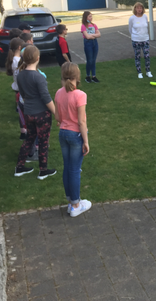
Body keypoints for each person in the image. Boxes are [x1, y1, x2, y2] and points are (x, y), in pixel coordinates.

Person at [55, 62, 92, 217]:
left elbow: (57, 117)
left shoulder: (58, 93)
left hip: (63, 133)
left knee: (67, 167)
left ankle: (71, 202)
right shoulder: (80, 95)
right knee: (75, 170)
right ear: (77, 77)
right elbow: (81, 121)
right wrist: (86, 141)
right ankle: (76, 205)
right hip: (75, 134)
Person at [14, 45, 57, 180]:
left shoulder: (20, 75)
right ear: (38, 58)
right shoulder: (38, 77)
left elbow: (23, 93)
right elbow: (46, 97)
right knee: (43, 141)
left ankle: (19, 167)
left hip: (28, 112)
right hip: (42, 114)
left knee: (29, 139)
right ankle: (43, 170)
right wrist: (56, 112)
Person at [6, 37, 26, 139]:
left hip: (17, 87)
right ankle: (25, 130)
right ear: (19, 47)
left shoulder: (13, 59)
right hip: (21, 88)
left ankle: (23, 131)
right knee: (24, 111)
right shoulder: (18, 61)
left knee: (20, 110)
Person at [129, 2, 153, 79]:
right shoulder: (132, 18)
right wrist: (134, 36)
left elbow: (146, 26)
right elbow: (130, 29)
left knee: (147, 56)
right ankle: (139, 72)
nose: (139, 9)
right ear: (135, 9)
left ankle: (148, 71)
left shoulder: (145, 16)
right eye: (138, 8)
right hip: (136, 40)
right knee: (137, 56)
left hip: (145, 39)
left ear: (142, 9)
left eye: (141, 8)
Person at [81, 11, 101, 83]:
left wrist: (93, 36)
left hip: (94, 43)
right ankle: (87, 76)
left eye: (91, 16)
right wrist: (94, 35)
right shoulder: (83, 26)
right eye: (89, 16)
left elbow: (99, 34)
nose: (91, 18)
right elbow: (87, 36)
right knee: (89, 60)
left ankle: (94, 76)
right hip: (88, 44)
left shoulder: (94, 25)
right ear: (86, 17)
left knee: (93, 60)